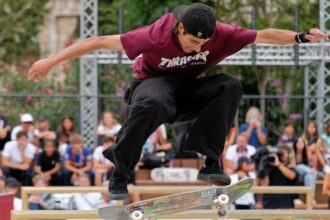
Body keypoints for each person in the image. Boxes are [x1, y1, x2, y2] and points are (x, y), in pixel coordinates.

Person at [27, 2, 328, 200]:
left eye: (203, 44)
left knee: (230, 85)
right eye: (192, 42)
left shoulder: (222, 34)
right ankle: (120, 173)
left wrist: (300, 37)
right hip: (151, 88)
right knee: (155, 101)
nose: (196, 48)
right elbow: (97, 42)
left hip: (189, 92)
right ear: (180, 28)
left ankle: (210, 163)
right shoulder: (154, 36)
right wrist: (51, 62)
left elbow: (263, 35)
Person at [293, 137, 317, 203]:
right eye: (298, 142)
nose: (300, 144)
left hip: (304, 176)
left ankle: (311, 198)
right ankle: (309, 171)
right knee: (299, 166)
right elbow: (293, 166)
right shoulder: (292, 153)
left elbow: (312, 166)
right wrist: (310, 170)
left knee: (309, 176)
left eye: (302, 142)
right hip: (296, 175)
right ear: (295, 144)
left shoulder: (306, 153)